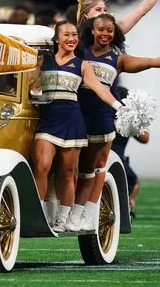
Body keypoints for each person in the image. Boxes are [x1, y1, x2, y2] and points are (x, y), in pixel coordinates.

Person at [69, 13, 160, 231]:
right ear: (92, 30)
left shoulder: (117, 59)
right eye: (101, 29)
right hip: (75, 114)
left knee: (97, 167)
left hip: (103, 117)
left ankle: (88, 213)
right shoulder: (79, 51)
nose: (105, 34)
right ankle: (68, 209)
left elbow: (151, 62)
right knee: (73, 167)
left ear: (115, 34)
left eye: (109, 31)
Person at [32, 20, 122, 233]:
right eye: (67, 35)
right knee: (42, 165)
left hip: (73, 121)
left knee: (68, 172)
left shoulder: (82, 65)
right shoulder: (43, 61)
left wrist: (118, 106)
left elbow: (100, 89)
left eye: (74, 35)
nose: (72, 38)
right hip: (48, 120)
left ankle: (62, 219)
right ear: (57, 39)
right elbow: (31, 84)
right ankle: (37, 212)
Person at [110, 86, 150, 218]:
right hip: (112, 158)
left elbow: (145, 138)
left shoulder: (110, 115)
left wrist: (136, 121)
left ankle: (126, 203)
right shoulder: (108, 117)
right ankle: (124, 204)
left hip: (114, 157)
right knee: (133, 183)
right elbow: (145, 138)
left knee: (133, 183)